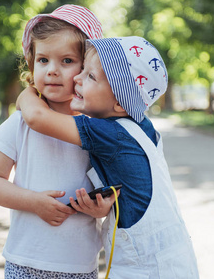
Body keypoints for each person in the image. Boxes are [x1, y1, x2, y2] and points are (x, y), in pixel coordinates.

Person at [18, 36, 200, 278]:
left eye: (90, 76)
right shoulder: (142, 128)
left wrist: (26, 94)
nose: (76, 78)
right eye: (82, 70)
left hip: (143, 269)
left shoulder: (108, 132)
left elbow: (37, 119)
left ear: (119, 103)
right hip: (176, 262)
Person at [0, 5, 114, 279]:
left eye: (66, 61)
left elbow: (111, 188)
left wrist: (103, 205)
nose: (52, 71)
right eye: (43, 60)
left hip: (78, 265)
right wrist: (33, 202)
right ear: (31, 64)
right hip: (24, 262)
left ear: (87, 66)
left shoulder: (98, 128)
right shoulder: (20, 123)